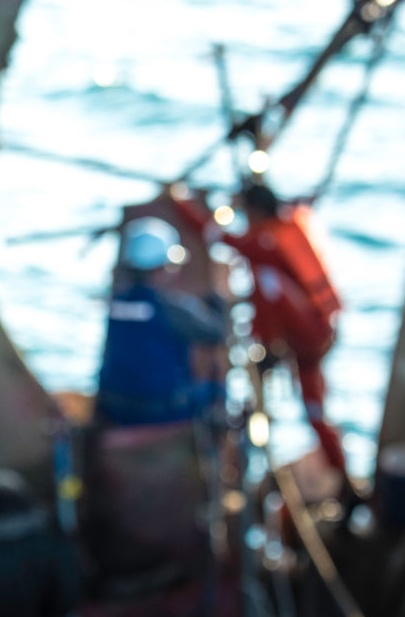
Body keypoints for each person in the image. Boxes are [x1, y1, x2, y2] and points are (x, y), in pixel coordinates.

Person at [172, 181, 348, 475]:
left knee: (310, 410)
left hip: (303, 344)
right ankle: (341, 474)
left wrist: (180, 202)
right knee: (315, 412)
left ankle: (334, 473)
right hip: (318, 332)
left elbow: (215, 234)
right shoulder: (285, 228)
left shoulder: (262, 243)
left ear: (254, 211)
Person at [95, 217, 227, 427]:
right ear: (160, 267)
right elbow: (216, 332)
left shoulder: (115, 304)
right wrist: (217, 299)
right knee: (217, 391)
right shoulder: (173, 309)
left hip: (115, 407)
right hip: (162, 410)